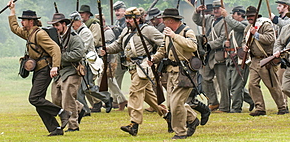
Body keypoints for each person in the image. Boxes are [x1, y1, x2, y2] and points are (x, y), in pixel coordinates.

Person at [101, 7, 168, 136]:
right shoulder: (126, 30)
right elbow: (119, 45)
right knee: (151, 98)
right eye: (126, 18)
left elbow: (164, 43)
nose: (127, 20)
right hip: (132, 68)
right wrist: (107, 49)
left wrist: (155, 58)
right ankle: (168, 116)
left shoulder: (148, 30)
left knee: (134, 93)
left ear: (138, 18)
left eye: (130, 18)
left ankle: (134, 124)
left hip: (143, 67)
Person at [7, 1, 71, 136]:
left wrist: (55, 66)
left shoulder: (39, 34)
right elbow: (14, 28)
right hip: (38, 71)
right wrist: (12, 11)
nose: (22, 23)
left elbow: (55, 49)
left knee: (34, 98)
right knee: (39, 102)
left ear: (31, 21)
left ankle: (63, 112)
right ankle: (55, 129)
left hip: (44, 70)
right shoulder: (29, 33)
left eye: (24, 20)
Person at [150, 8, 199, 139]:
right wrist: (154, 58)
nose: (163, 22)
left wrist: (174, 36)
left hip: (184, 72)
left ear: (170, 20)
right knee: (172, 103)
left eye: (165, 19)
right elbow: (163, 49)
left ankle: (180, 132)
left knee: (177, 103)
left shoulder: (186, 31)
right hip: (171, 72)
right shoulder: (167, 33)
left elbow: (193, 46)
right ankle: (192, 119)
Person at [242, 6, 287, 116]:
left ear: (257, 16)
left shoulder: (265, 25)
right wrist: (244, 47)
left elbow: (270, 39)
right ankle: (260, 108)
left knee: (272, 85)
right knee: (252, 85)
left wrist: (256, 34)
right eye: (248, 17)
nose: (249, 18)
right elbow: (244, 41)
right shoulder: (248, 28)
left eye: (251, 16)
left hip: (266, 60)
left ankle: (282, 107)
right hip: (254, 60)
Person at [69, 12, 113, 117]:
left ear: (78, 21)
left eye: (73, 22)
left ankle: (107, 98)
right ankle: (84, 110)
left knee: (88, 87)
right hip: (81, 63)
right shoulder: (77, 32)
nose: (71, 25)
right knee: (79, 89)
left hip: (87, 63)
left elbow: (82, 49)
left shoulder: (85, 32)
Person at [192, 0, 230, 113]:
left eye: (218, 8)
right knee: (205, 79)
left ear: (223, 9)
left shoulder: (226, 22)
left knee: (222, 82)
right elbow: (197, 20)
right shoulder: (209, 19)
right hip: (208, 55)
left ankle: (224, 107)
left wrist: (208, 45)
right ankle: (213, 102)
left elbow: (223, 38)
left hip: (219, 54)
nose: (216, 10)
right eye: (214, 8)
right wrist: (197, 12)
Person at [48, 13, 84, 132]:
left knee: (68, 100)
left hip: (72, 70)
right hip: (60, 72)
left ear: (64, 24)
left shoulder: (74, 37)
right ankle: (79, 108)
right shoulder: (56, 38)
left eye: (57, 25)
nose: (55, 28)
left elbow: (78, 54)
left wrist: (60, 57)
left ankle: (73, 125)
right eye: (54, 25)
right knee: (56, 99)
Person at [221, 6, 254, 113]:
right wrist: (224, 44)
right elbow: (229, 41)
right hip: (231, 60)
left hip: (240, 60)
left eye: (233, 14)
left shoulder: (244, 25)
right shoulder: (232, 29)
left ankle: (236, 108)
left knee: (236, 86)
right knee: (230, 85)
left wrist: (226, 16)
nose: (232, 16)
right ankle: (252, 100)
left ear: (239, 15)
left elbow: (237, 26)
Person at [270, 0, 290, 112]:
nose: (278, 7)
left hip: (289, 54)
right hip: (281, 53)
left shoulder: (289, 19)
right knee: (281, 81)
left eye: (280, 5)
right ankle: (284, 104)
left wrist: (274, 19)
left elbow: (286, 25)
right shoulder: (281, 19)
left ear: (286, 6)